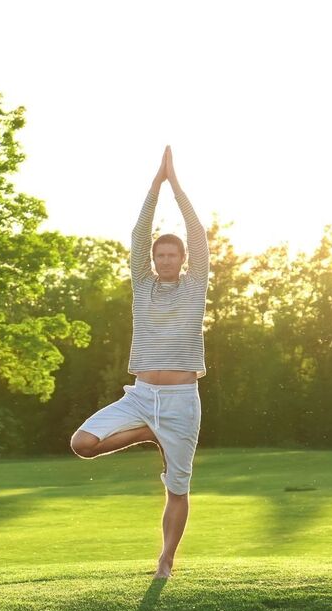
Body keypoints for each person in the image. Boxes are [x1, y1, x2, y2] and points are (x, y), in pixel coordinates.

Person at [70, 145, 208, 579]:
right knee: (82, 444)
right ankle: (149, 433)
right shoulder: (143, 287)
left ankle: (166, 560)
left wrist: (177, 185)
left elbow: (198, 232)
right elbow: (138, 234)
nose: (166, 260)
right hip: (141, 396)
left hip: (183, 400)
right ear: (152, 261)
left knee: (178, 486)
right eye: (159, 255)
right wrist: (155, 185)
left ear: (183, 260)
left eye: (173, 255)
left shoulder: (195, 286)